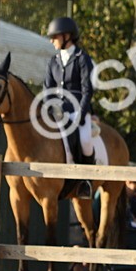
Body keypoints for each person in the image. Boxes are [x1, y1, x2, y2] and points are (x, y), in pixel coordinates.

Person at [43, 16, 96, 198]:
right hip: (58, 113)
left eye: (54, 37)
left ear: (67, 36)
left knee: (86, 142)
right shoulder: (53, 61)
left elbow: (87, 89)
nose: (51, 41)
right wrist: (49, 109)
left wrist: (81, 114)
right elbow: (47, 88)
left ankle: (85, 182)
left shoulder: (82, 59)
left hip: (78, 112)